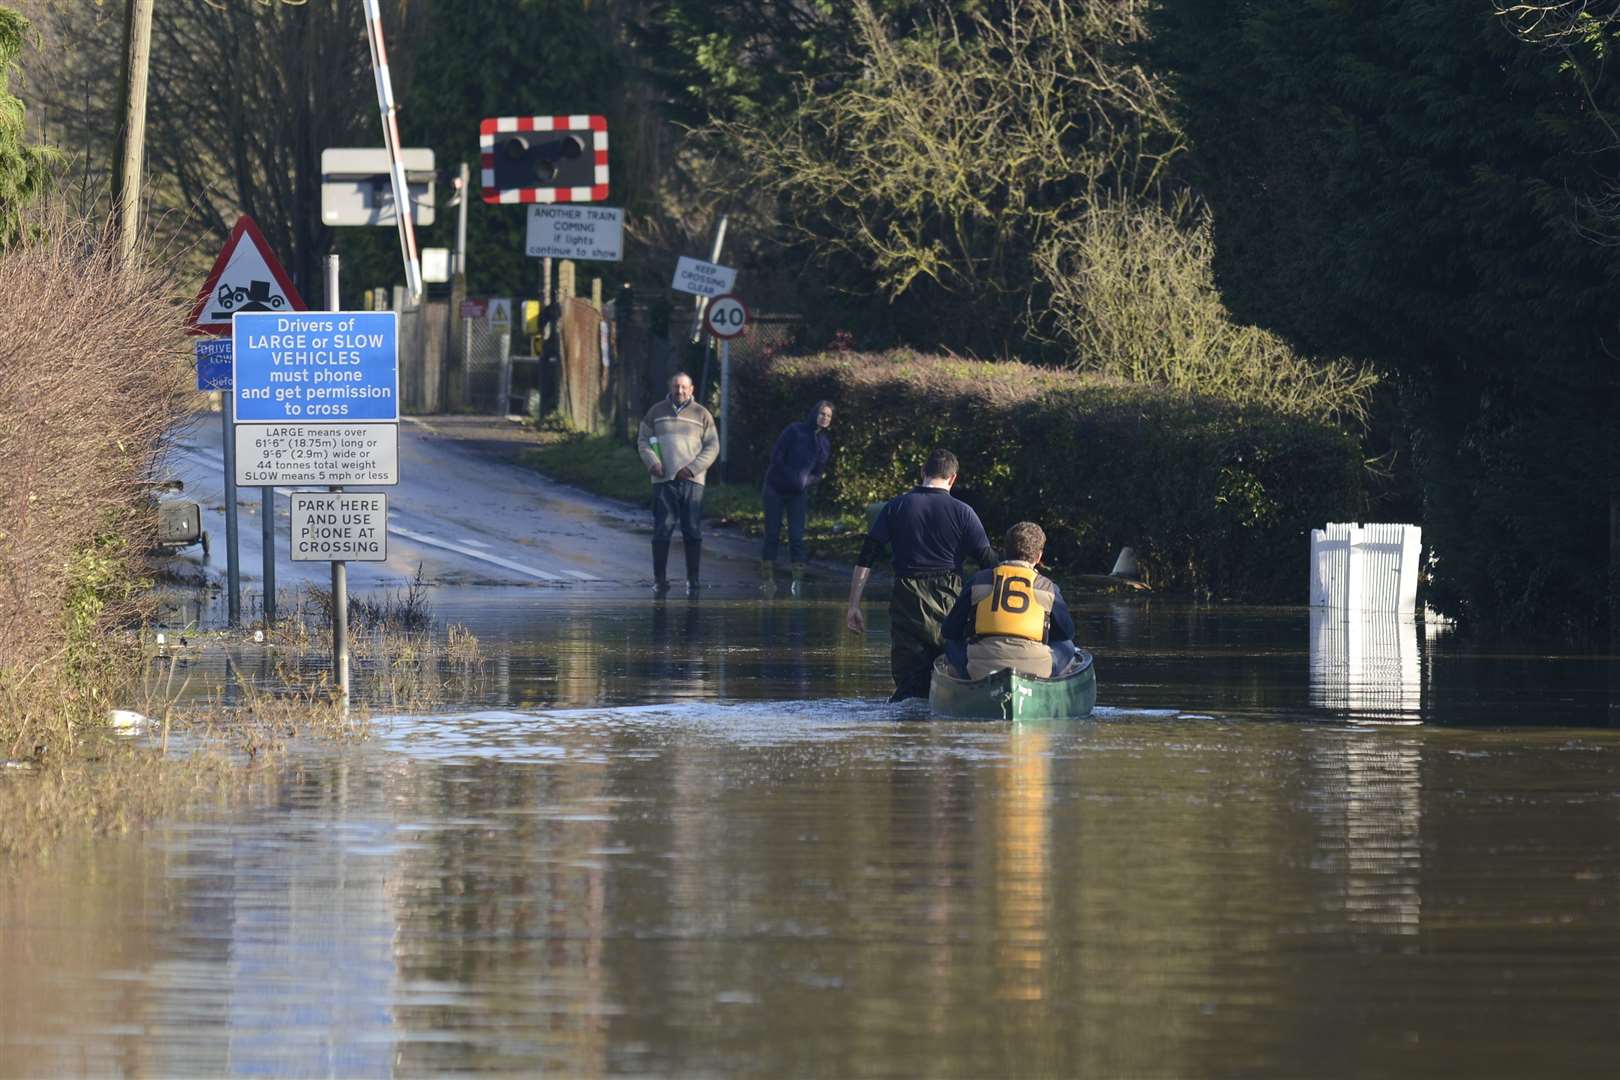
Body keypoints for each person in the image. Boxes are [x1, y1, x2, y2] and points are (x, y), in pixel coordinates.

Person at [846, 448, 998, 702]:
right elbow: (990, 565)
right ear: (953, 479)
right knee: (949, 672)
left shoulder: (895, 507)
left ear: (922, 473)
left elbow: (866, 558)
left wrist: (853, 605)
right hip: (949, 599)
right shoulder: (964, 512)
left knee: (909, 686)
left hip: (907, 597)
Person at [940, 522, 1078, 680]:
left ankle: (962, 679)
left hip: (980, 669)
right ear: (1039, 556)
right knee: (1067, 645)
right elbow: (1067, 632)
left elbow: (949, 630)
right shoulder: (1047, 587)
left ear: (1005, 551)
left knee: (951, 643)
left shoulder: (979, 580)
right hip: (1036, 669)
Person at [637, 371, 719, 592]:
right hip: (663, 480)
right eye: (676, 387)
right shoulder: (656, 411)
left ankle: (693, 579)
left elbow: (713, 447)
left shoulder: (702, 414)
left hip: (692, 481)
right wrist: (652, 462)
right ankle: (660, 579)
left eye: (684, 387)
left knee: (692, 530)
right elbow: (643, 440)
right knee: (662, 530)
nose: (679, 391)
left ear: (691, 389)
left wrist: (692, 469)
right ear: (670, 388)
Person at [761, 400, 834, 587]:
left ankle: (797, 581)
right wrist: (789, 476)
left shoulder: (824, 443)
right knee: (772, 534)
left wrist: (804, 481)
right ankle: (768, 579)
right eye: (821, 413)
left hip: (797, 493)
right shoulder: (795, 430)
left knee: (796, 536)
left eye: (828, 416)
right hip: (775, 488)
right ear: (814, 413)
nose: (824, 418)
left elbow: (818, 473)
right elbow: (776, 455)